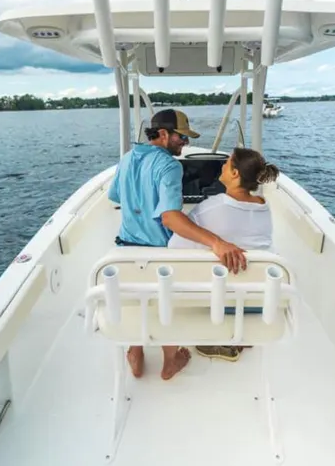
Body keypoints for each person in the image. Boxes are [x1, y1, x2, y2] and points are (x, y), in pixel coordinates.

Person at [107, 108, 248, 380]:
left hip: (124, 249)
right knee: (167, 305)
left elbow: (115, 195)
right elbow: (170, 218)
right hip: (159, 252)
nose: (185, 143)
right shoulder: (170, 166)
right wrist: (217, 242)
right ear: (163, 134)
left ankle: (135, 352)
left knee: (136, 300)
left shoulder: (127, 157)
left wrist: (141, 197)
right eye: (181, 137)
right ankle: (170, 361)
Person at [168, 147, 281, 362]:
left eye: (227, 163)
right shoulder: (263, 207)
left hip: (223, 302)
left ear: (235, 173)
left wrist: (210, 244)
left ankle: (218, 337)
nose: (222, 166)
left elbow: (175, 245)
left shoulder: (210, 208)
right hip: (260, 300)